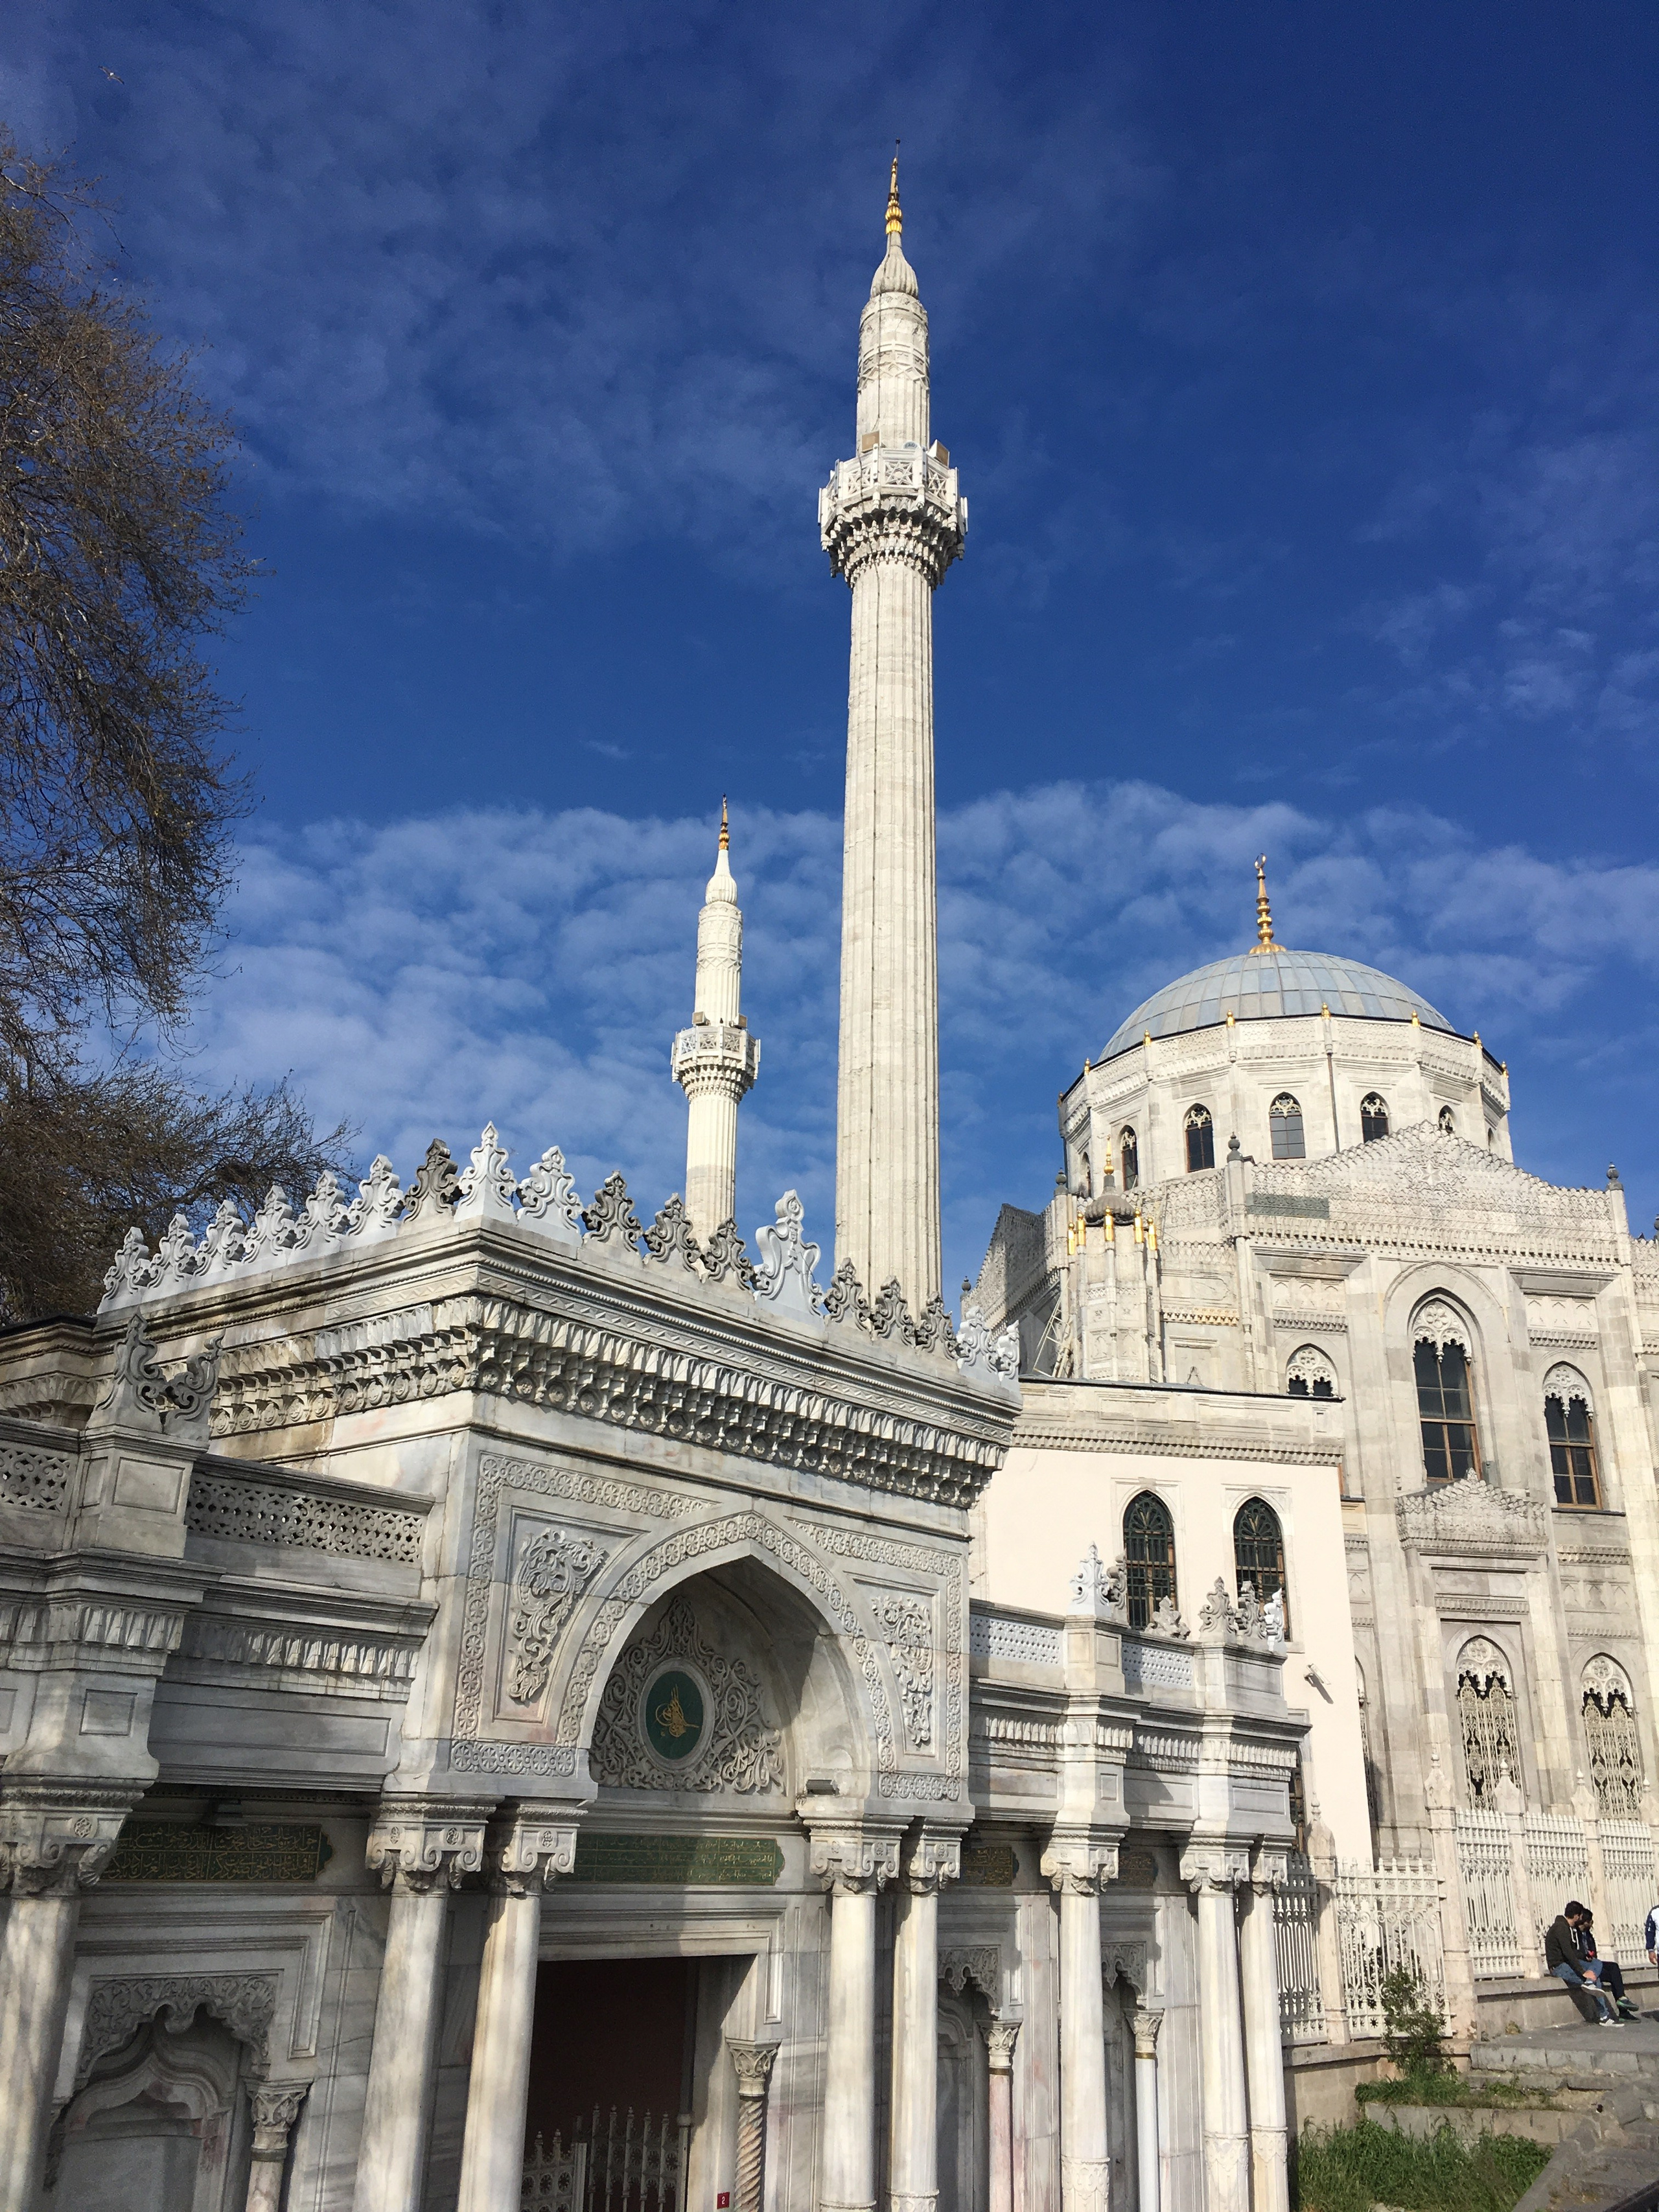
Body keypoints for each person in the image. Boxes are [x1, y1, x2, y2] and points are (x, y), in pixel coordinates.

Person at [1544, 1901, 1618, 2023]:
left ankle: (1590, 1983)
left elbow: (1572, 1951)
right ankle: (1604, 2016)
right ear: (1577, 1916)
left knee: (1597, 1963)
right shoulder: (1561, 1928)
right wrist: (1583, 1972)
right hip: (1558, 1967)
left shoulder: (1566, 1927)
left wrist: (1585, 1956)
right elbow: (1568, 1953)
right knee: (1595, 1979)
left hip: (1565, 1963)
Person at [1573, 1909, 1640, 2020]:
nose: (1591, 1924)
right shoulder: (1575, 1934)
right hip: (1584, 1968)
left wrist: (1591, 1955)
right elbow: (1574, 1953)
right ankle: (1616, 2010)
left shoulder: (1588, 1935)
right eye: (1590, 1921)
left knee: (1614, 1968)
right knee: (1605, 1973)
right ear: (1585, 1921)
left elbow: (1593, 1950)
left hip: (1592, 1963)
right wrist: (1584, 1956)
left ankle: (1622, 2002)